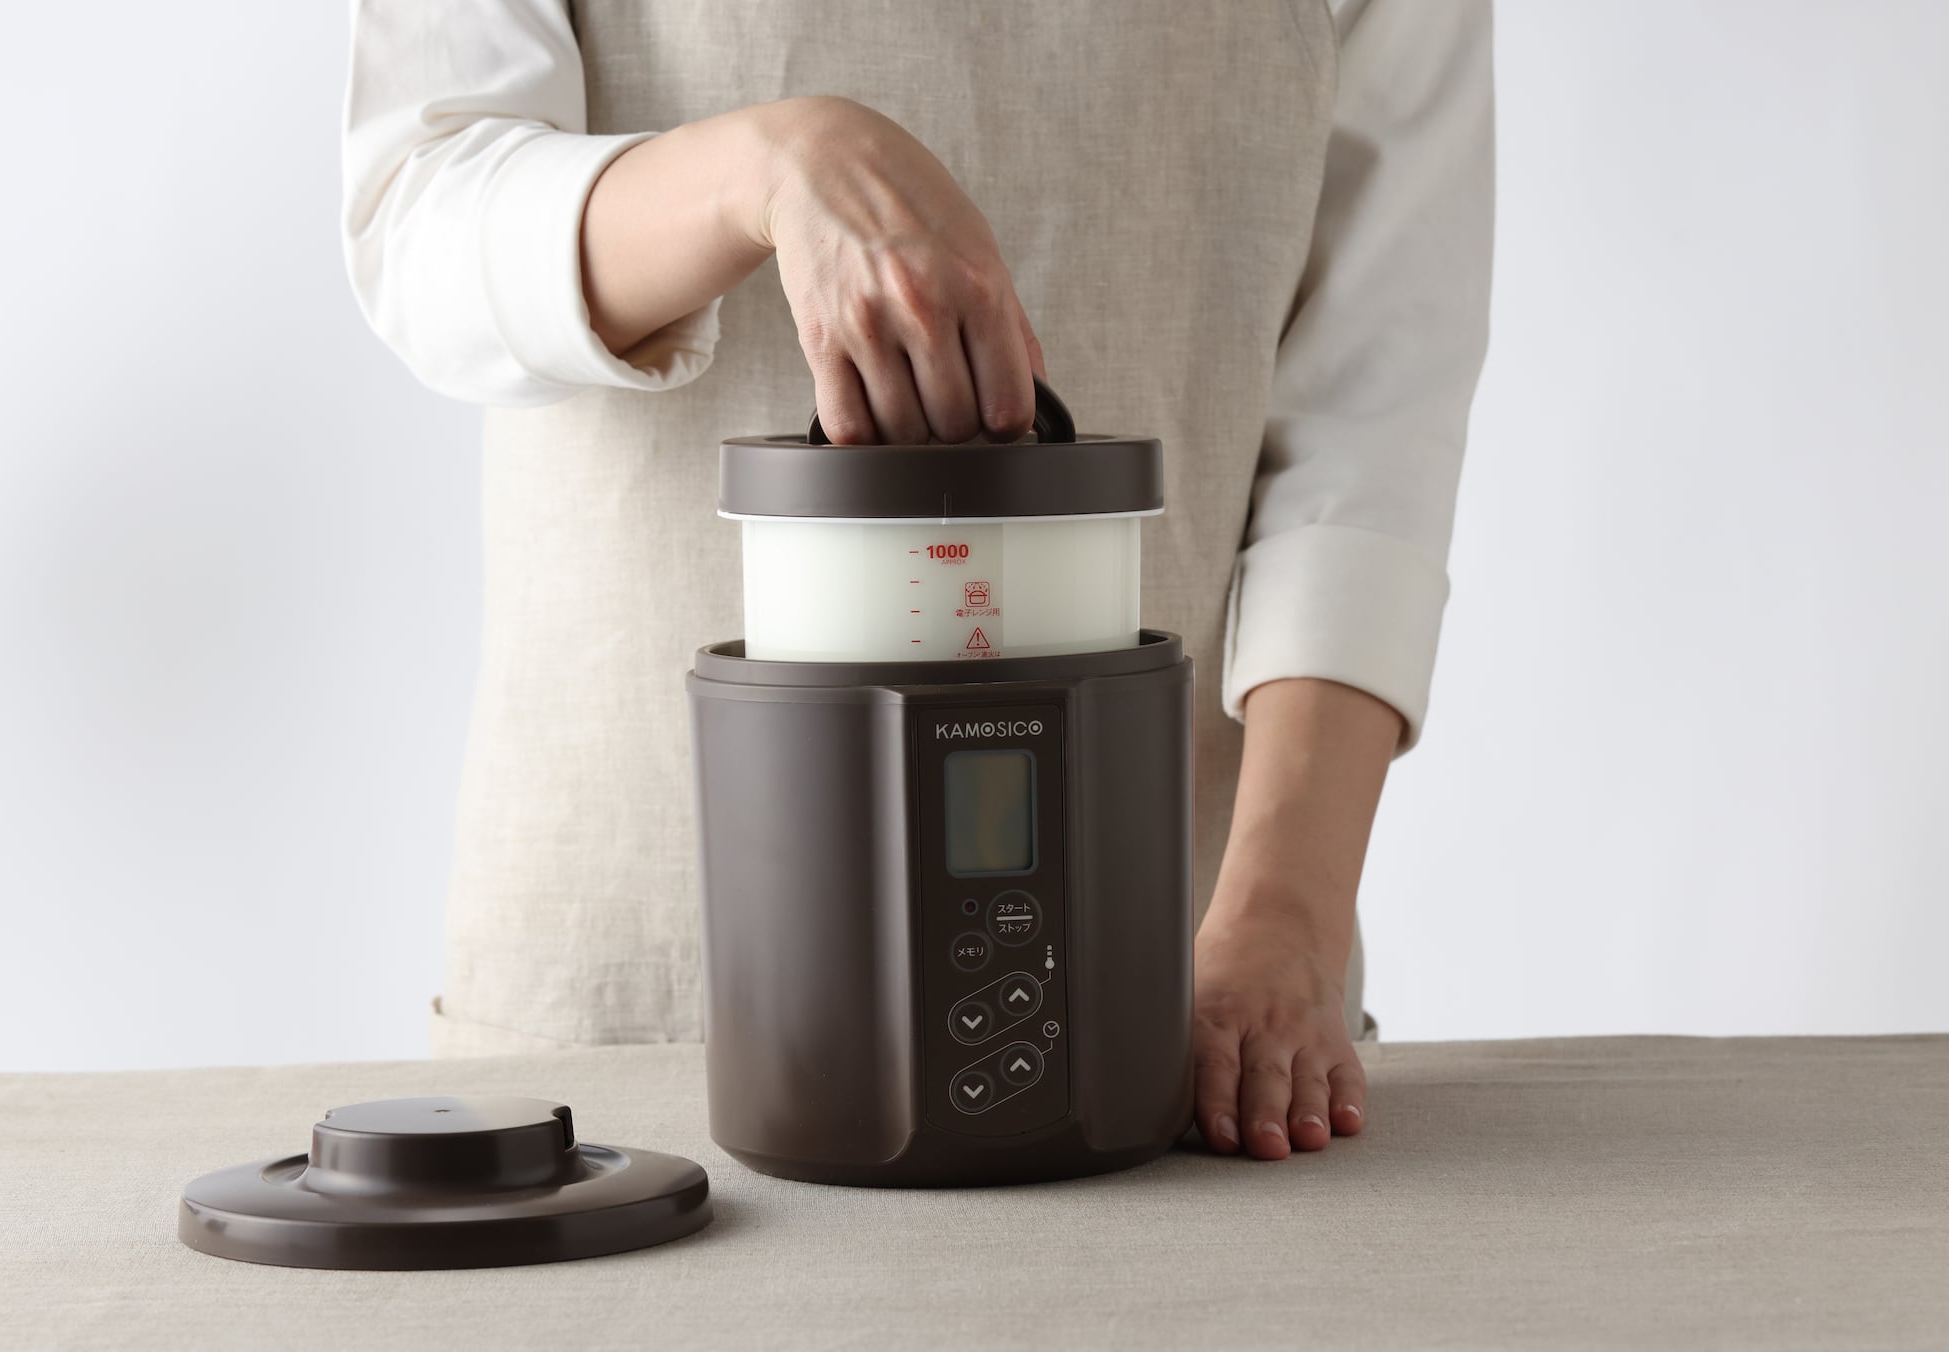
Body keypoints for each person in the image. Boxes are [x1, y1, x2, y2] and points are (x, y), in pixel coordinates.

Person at [342, 0, 1493, 1161]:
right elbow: (420, 221)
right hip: (631, 954)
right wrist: (767, 165)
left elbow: (1374, 412)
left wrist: (1283, 921)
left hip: (1189, 989)